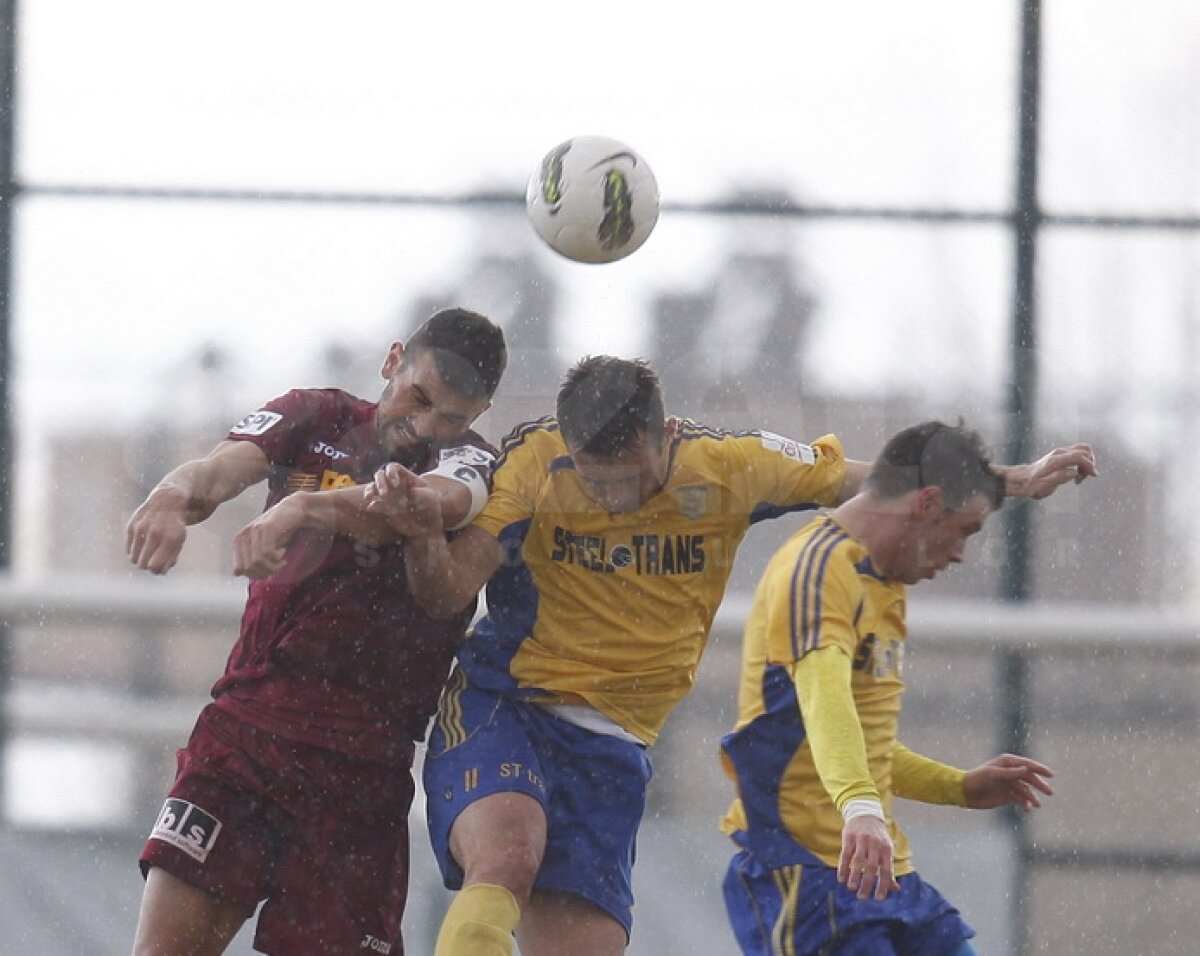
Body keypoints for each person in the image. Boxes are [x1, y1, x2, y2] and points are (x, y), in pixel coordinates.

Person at [365, 357, 1096, 956]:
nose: (614, 499)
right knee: (508, 860)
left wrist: (1012, 479)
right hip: (507, 704)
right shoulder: (534, 463)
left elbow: (876, 485)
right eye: (597, 481)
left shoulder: (727, 468)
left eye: (629, 477)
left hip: (615, 745)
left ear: (668, 435)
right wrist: (424, 533)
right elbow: (449, 590)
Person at [124, 307, 507, 956]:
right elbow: (216, 473)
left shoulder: (474, 461)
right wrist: (169, 495)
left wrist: (304, 508)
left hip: (361, 769)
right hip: (248, 736)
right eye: (418, 399)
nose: (424, 426)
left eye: (450, 416)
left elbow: (418, 506)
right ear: (393, 361)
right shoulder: (313, 416)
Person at [719, 420, 1065, 956]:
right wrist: (860, 808)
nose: (960, 554)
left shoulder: (883, 580)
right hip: (807, 877)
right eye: (965, 530)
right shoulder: (817, 567)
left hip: (883, 874)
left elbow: (856, 737)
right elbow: (822, 699)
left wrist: (957, 787)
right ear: (926, 503)